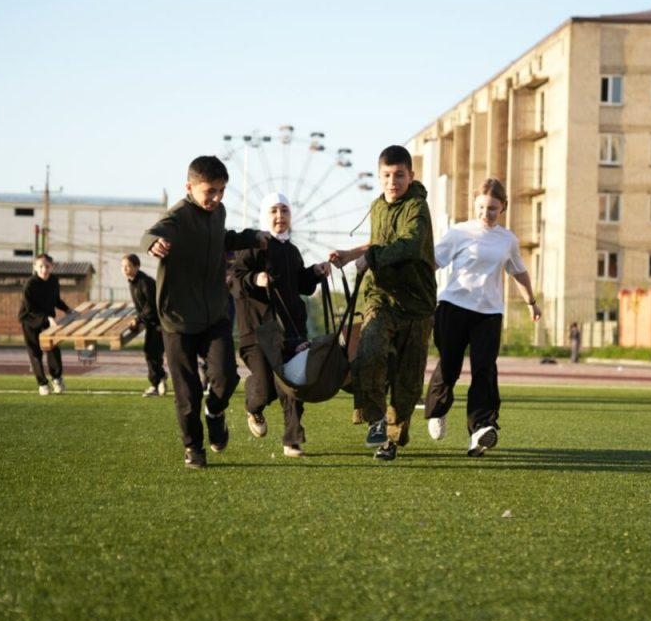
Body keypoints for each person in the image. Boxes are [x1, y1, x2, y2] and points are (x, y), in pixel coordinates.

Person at [141, 155, 269, 469]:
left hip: (213, 312)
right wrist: (153, 243)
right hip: (177, 318)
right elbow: (152, 233)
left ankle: (215, 412)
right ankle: (193, 447)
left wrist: (252, 236)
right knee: (187, 393)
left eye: (221, 191)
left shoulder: (218, 212)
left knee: (226, 376)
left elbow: (221, 239)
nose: (216, 198)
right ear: (190, 187)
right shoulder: (178, 216)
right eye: (210, 191)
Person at [329, 145, 436, 462]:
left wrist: (371, 257)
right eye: (387, 175)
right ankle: (376, 422)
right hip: (380, 296)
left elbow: (410, 245)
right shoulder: (377, 206)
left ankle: (393, 436)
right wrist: (350, 254)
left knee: (407, 380)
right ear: (379, 177)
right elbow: (378, 241)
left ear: (411, 176)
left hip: (416, 303)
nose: (393, 182)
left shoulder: (417, 207)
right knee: (369, 353)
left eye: (399, 175)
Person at [425, 178, 541, 456]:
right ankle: (438, 410)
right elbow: (431, 262)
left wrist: (532, 302)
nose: (486, 213)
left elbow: (518, 272)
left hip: (489, 314)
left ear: (503, 207)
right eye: (481, 207)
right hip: (453, 307)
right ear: (474, 205)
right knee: (449, 366)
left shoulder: (508, 240)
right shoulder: (459, 232)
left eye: (492, 208)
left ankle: (480, 429)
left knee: (484, 370)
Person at [231, 192, 330, 458]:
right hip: (258, 330)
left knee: (293, 386)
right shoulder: (252, 247)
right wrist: (255, 279)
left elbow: (301, 285)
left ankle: (292, 441)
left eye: (284, 210)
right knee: (265, 389)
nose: (280, 216)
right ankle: (253, 406)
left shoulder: (292, 251)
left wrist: (315, 272)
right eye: (274, 211)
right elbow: (234, 279)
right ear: (265, 215)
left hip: (292, 331)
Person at [18, 254, 71, 396]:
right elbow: (29, 309)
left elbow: (56, 300)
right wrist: (47, 318)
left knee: (53, 348)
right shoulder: (30, 284)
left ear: (52, 267)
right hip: (30, 320)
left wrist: (68, 310)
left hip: (47, 320)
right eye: (41, 266)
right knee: (35, 353)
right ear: (35, 267)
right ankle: (43, 384)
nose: (44, 269)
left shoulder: (54, 281)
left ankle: (57, 379)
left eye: (47, 266)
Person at [121, 254, 167, 397]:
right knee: (151, 353)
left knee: (153, 353)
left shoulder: (145, 282)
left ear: (137, 266)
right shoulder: (132, 282)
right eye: (123, 266)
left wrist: (138, 319)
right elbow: (142, 308)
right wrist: (138, 321)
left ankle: (156, 384)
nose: (125, 269)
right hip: (152, 323)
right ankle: (160, 379)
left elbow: (151, 306)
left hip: (161, 323)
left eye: (128, 266)